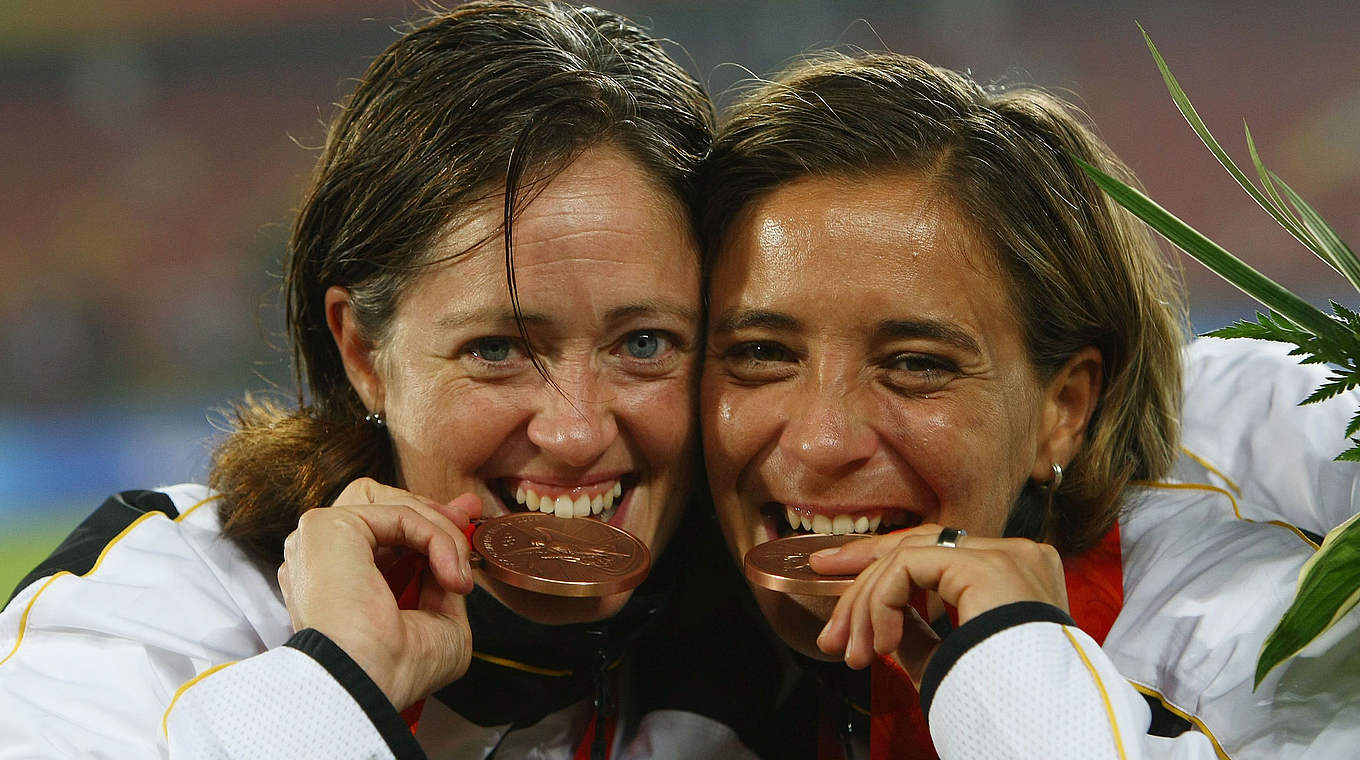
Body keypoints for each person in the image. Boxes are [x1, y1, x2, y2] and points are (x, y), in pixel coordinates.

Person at [0, 3, 778, 757]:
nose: (575, 433)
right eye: (496, 350)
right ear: (365, 355)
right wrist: (335, 680)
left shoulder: (764, 675)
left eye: (644, 342)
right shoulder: (149, 612)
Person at [697, 51, 1360, 758]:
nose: (820, 442)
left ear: (1063, 411)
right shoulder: (662, 613)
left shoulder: (1254, 678)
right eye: (762, 353)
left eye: (917, 365)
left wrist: (1013, 670)